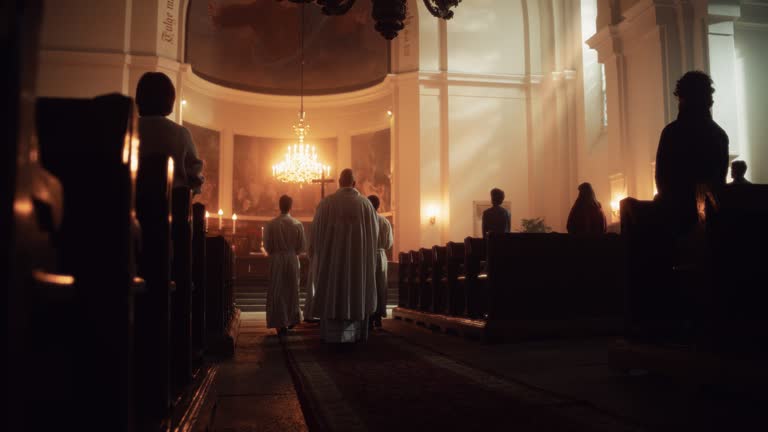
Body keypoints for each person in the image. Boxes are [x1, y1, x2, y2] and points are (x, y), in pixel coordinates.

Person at [654, 71, 729, 236]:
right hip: (713, 221)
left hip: (676, 221)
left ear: (683, 99)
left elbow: (663, 181)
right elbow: (719, 182)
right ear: (708, 101)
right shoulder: (718, 135)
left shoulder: (672, 133)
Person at [309, 169, 379, 343]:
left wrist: (316, 255)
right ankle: (356, 334)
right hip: (358, 264)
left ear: (339, 182)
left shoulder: (326, 204)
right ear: (354, 183)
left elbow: (315, 235)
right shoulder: (366, 205)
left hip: (332, 265)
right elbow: (374, 236)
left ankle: (331, 336)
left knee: (333, 290)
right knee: (356, 290)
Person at [136, 72, 204, 193]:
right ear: (170, 100)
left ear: (139, 99)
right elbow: (195, 178)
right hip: (171, 208)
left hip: (125, 207)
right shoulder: (181, 134)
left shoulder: (125, 130)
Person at [264, 195, 307, 336]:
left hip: (276, 259)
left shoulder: (271, 224)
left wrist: (275, 252)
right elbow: (301, 247)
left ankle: (280, 322)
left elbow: (268, 246)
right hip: (291, 258)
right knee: (292, 289)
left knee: (278, 290)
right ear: (291, 206)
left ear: (279, 205)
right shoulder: (297, 224)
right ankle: (292, 318)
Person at [368, 195, 393, 329]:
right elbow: (389, 243)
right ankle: (378, 317)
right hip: (381, 256)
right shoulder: (384, 221)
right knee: (380, 287)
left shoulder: (364, 220)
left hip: (367, 255)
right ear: (378, 206)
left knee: (368, 286)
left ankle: (368, 316)